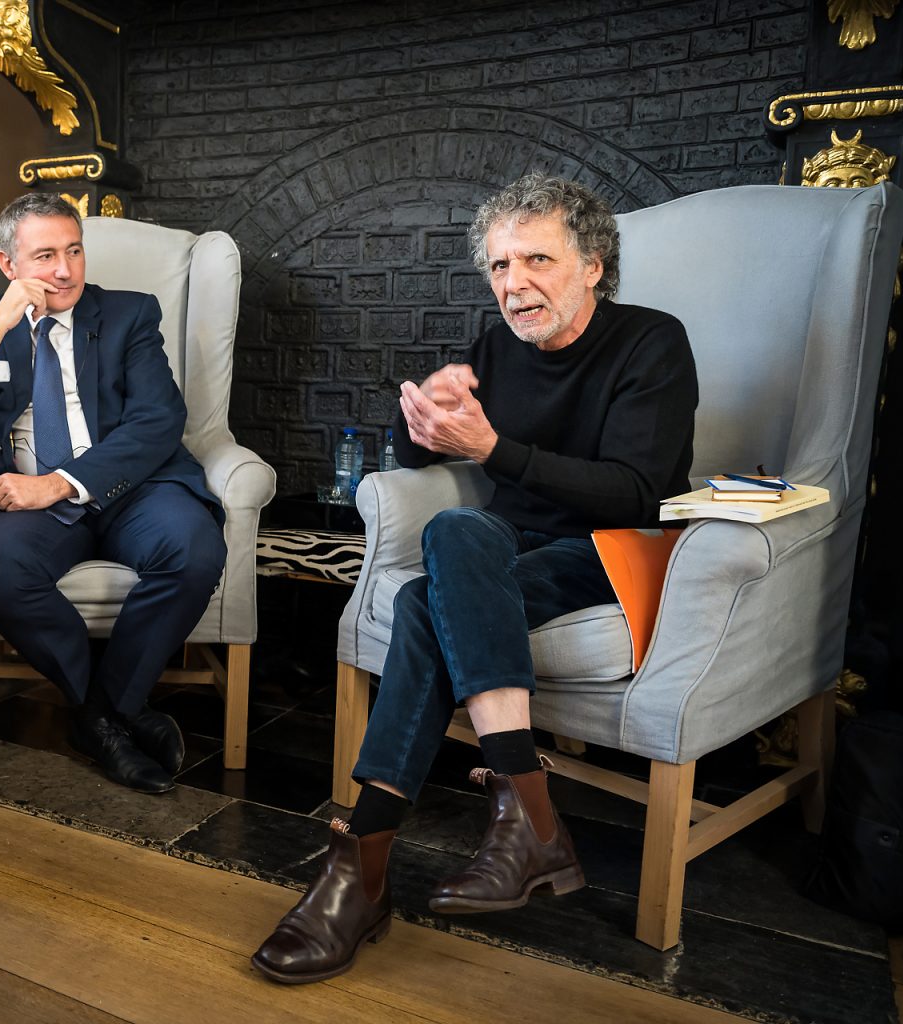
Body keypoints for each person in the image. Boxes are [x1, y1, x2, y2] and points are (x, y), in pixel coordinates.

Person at [252, 174, 698, 983]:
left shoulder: (652, 342)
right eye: (498, 266)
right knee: (458, 535)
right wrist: (423, 413)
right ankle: (525, 817)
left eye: (536, 259)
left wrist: (494, 450)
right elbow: (429, 453)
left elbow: (639, 490)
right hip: (509, 549)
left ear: (593, 263)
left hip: (612, 552)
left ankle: (359, 871)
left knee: (433, 582)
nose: (513, 283)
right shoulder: (497, 348)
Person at [0, 193, 226, 795]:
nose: (64, 270)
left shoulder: (130, 314)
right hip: (33, 503)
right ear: (9, 266)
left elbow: (158, 421)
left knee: (193, 548)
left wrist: (57, 484)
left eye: (74, 251)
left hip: (134, 487)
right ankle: (114, 714)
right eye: (46, 256)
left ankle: (101, 716)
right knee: (2, 570)